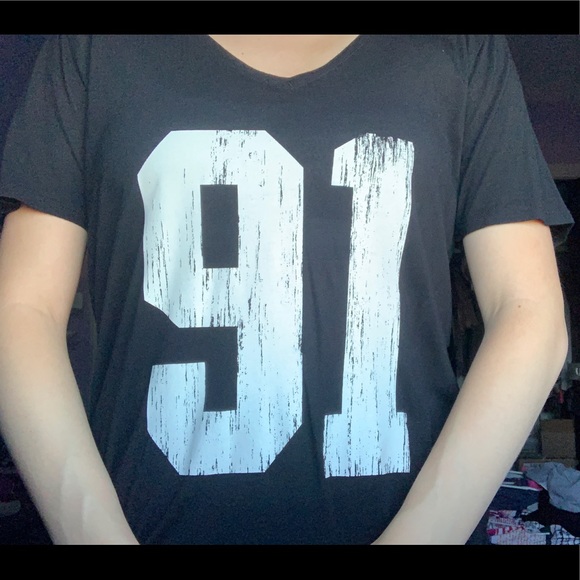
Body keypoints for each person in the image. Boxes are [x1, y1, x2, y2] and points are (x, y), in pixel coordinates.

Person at [0, 34, 573, 545]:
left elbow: (528, 310)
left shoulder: (459, 47)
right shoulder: (94, 48)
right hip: (142, 521)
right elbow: (21, 309)